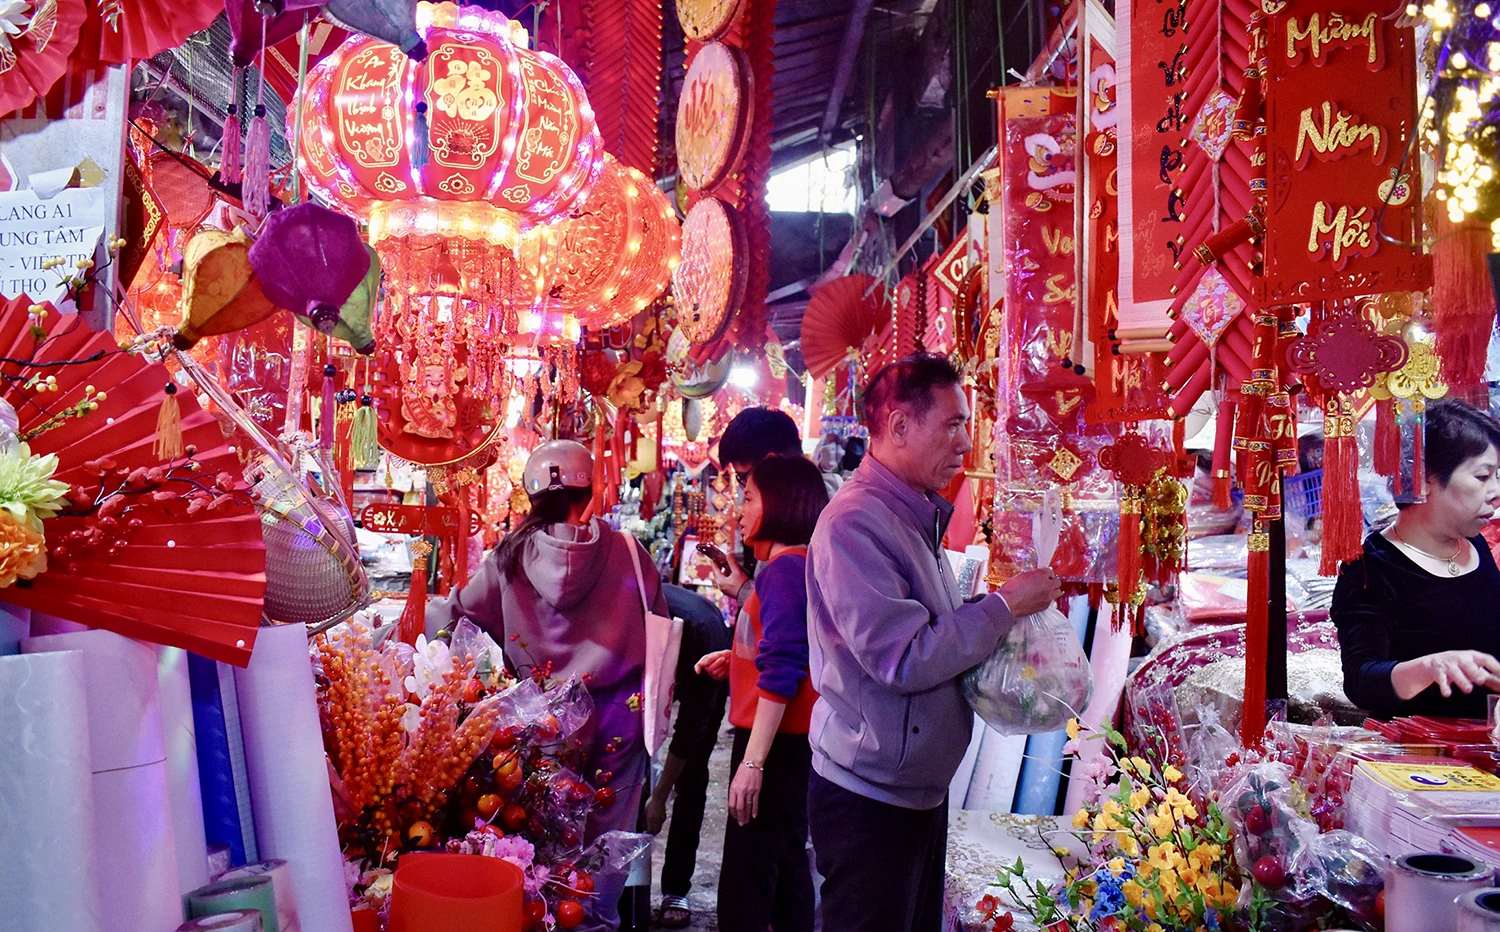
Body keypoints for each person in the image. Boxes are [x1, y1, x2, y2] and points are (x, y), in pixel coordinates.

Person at [805, 353, 1063, 932]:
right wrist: (1001, 607)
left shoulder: (912, 514)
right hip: (869, 797)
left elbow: (926, 627)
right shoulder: (855, 523)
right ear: (898, 426)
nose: (966, 444)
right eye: (952, 424)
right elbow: (903, 656)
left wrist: (995, 613)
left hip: (913, 788)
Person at [426, 440, 667, 932]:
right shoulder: (628, 552)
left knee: (542, 840)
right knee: (607, 836)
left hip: (542, 724)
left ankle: (546, 921)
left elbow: (451, 620)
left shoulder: (508, 558)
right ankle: (595, 922)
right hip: (621, 719)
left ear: (529, 496)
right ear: (593, 490)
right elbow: (659, 624)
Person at [697, 454, 828, 932]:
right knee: (784, 860)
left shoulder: (785, 571)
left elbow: (785, 670)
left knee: (750, 874)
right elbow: (788, 652)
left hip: (775, 745)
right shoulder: (794, 566)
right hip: (790, 742)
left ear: (780, 504)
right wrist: (737, 664)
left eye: (749, 497)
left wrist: (752, 766)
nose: (741, 508)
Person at [1333, 399, 1500, 719]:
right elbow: (1361, 680)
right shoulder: (1371, 569)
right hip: (1422, 754)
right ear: (1424, 481)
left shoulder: (1475, 545)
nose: (1495, 491)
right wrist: (1428, 667)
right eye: (1483, 477)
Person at [645, 584, 731, 929]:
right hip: (653, 657)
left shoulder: (705, 643)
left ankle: (676, 888)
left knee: (692, 773)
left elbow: (689, 732)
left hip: (707, 656)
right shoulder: (635, 619)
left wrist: (660, 797)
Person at [711, 407, 808, 602]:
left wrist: (743, 590)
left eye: (742, 477)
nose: (742, 512)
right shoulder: (796, 508)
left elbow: (788, 616)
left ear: (770, 463)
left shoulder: (803, 531)